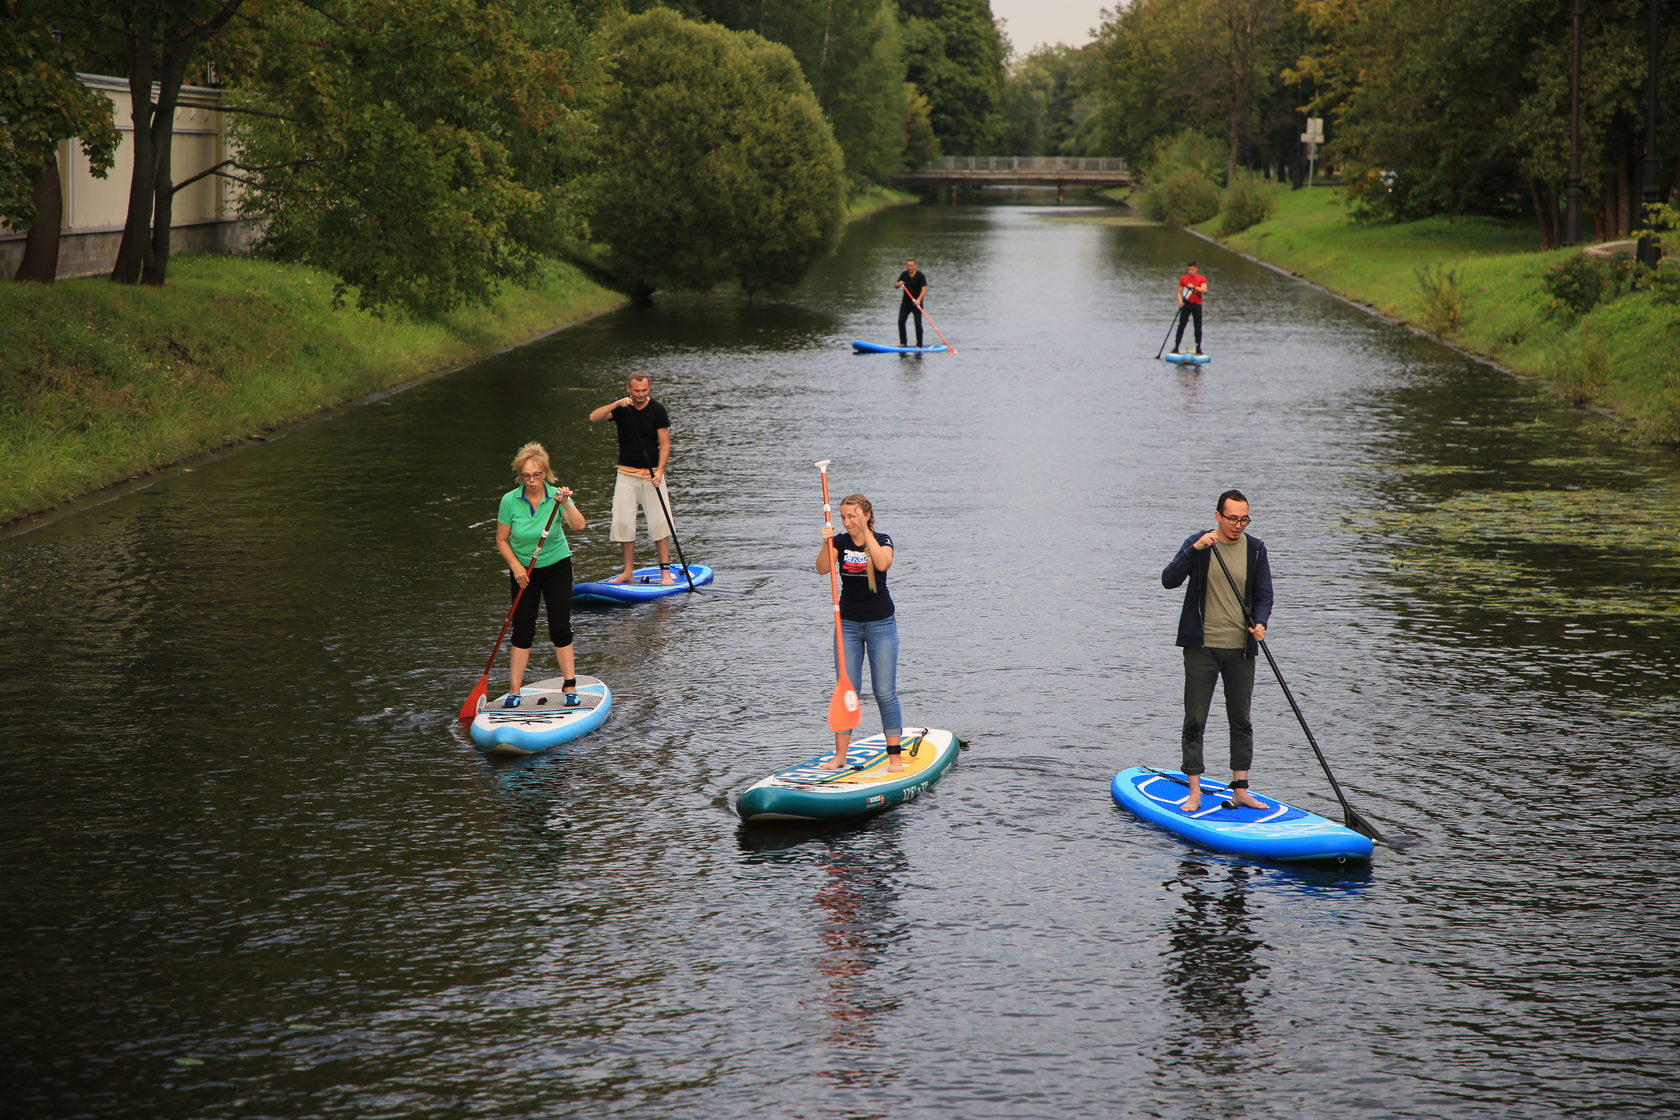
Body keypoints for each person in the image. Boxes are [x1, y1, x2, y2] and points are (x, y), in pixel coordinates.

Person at [1160, 489, 1273, 813]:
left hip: (1240, 650)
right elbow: (1169, 580)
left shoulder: (1255, 550)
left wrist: (1261, 623)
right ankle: (1194, 792)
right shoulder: (1200, 543)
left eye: (1244, 519)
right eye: (1232, 518)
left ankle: (1240, 789)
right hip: (1202, 648)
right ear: (1218, 517)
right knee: (1195, 720)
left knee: (1241, 720)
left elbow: (1264, 595)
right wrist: (1193, 551)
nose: (1238, 525)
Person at [815, 493, 904, 773]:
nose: (847, 521)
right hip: (848, 626)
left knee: (884, 692)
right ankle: (840, 756)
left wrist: (866, 534)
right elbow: (821, 569)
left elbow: (882, 564)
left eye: (852, 515)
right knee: (847, 692)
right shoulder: (839, 542)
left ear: (866, 515)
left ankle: (895, 758)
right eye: (843, 517)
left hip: (881, 624)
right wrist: (826, 542)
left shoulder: (884, 540)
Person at [495, 442, 587, 707]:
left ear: (545, 473)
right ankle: (514, 691)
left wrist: (566, 503)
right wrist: (516, 568)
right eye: (526, 476)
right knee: (522, 629)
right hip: (524, 571)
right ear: (519, 476)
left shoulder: (556, 497)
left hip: (557, 565)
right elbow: (502, 539)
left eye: (536, 475)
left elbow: (579, 526)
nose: (532, 481)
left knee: (559, 626)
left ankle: (569, 685)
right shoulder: (509, 501)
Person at [588, 372, 676, 584]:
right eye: (636, 391)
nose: (640, 395)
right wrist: (616, 404)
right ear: (629, 389)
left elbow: (665, 444)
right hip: (626, 474)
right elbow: (593, 417)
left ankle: (665, 572)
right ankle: (628, 572)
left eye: (644, 390)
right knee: (624, 523)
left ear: (649, 388)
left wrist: (661, 471)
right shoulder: (621, 408)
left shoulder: (657, 409)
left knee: (659, 524)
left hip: (652, 474)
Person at [1172, 261, 1208, 355]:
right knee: (1181, 326)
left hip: (1197, 305)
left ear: (1196, 269)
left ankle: (1198, 348)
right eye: (1189, 269)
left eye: (1192, 269)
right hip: (1186, 304)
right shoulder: (1183, 278)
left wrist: (1195, 287)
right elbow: (1179, 292)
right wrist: (1180, 301)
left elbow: (1204, 290)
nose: (1191, 271)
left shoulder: (1201, 278)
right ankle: (1176, 347)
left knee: (1198, 327)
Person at [895, 259, 929, 348]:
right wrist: (898, 284)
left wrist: (919, 299)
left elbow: (924, 288)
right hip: (906, 303)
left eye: (911, 266)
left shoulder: (920, 275)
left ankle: (919, 344)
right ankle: (903, 342)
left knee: (917, 324)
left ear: (915, 266)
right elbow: (895, 286)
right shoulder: (904, 274)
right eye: (908, 266)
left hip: (917, 303)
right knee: (901, 321)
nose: (909, 267)